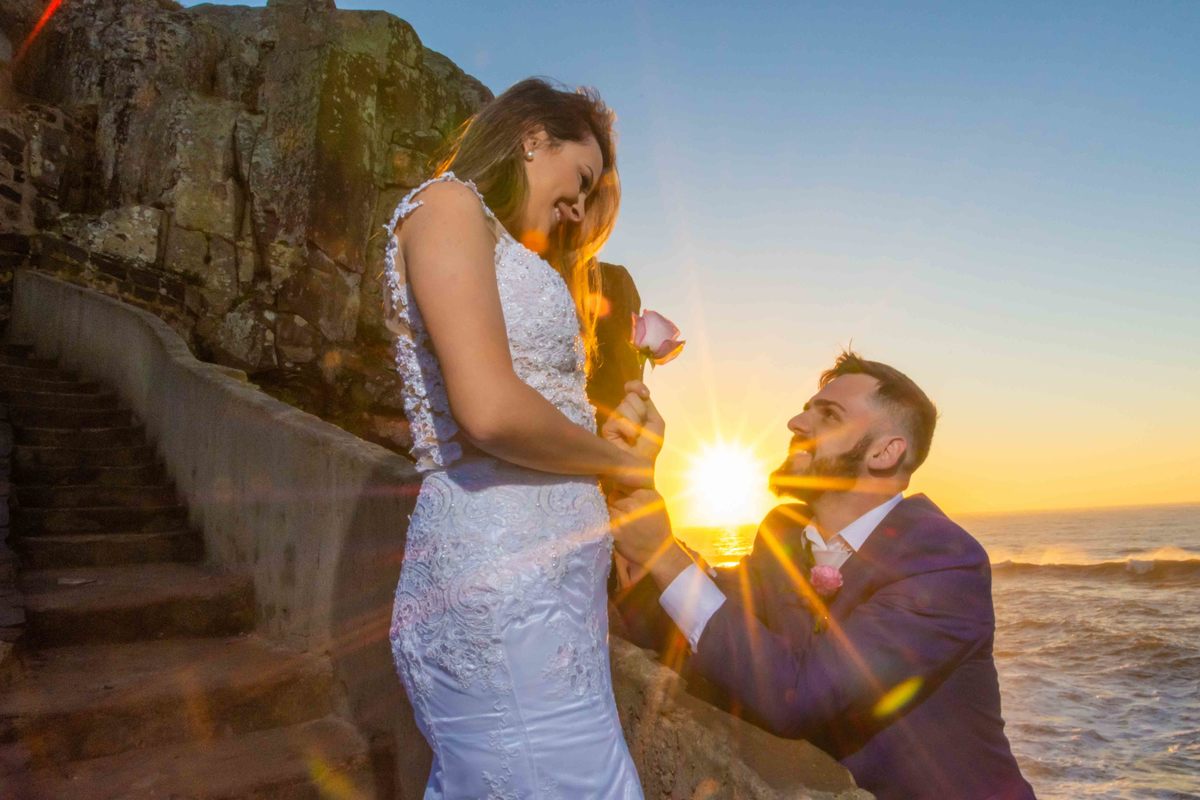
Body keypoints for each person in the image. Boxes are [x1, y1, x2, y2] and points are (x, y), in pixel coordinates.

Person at [383, 78, 657, 799]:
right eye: (581, 178)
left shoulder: (505, 245)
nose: (578, 205)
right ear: (534, 136)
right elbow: (492, 411)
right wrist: (618, 462)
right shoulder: (446, 205)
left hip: (551, 600)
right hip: (503, 588)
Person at [606, 352, 1036, 800]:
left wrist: (666, 555)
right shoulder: (782, 533)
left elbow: (798, 696)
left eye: (828, 415)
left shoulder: (944, 563)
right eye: (807, 408)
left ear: (885, 452)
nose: (796, 422)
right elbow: (714, 633)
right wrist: (634, 479)